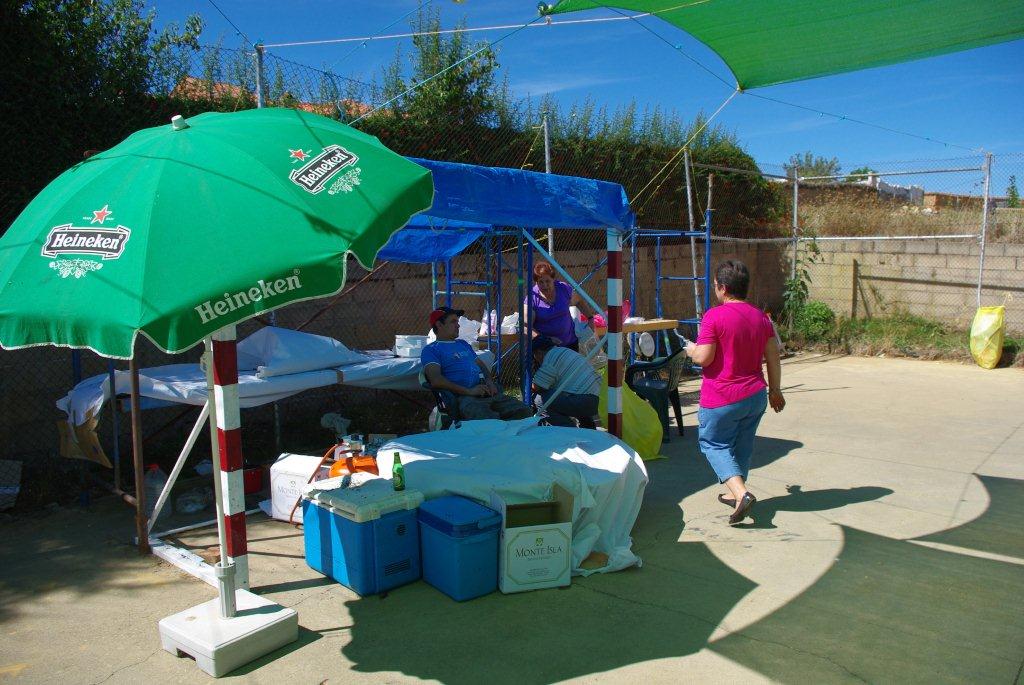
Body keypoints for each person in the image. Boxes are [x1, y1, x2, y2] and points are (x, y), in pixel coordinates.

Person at [685, 260, 786, 525]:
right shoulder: (761, 318)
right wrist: (775, 390)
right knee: (742, 445)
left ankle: (741, 494)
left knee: (714, 444)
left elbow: (704, 358)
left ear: (723, 287)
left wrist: (692, 350)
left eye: (715, 285)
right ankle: (736, 493)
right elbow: (773, 357)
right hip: (755, 395)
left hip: (722, 397)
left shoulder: (714, 316)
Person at [421, 306, 533, 421]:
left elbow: (481, 365)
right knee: (490, 421)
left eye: (457, 322)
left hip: (484, 392)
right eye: (453, 322)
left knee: (524, 412)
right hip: (464, 398)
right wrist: (469, 391)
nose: (458, 325)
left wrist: (489, 382)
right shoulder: (431, 350)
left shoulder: (463, 344)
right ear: (439, 325)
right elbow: (436, 380)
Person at [531, 336, 601, 428]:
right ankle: (588, 429)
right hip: (600, 397)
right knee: (573, 391)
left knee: (540, 399)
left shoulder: (550, 359)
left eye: (534, 355)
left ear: (539, 353)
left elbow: (536, 387)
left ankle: (567, 431)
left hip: (588, 401)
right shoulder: (565, 351)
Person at [527, 261, 593, 352]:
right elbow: (526, 327)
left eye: (547, 281)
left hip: (570, 344)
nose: (545, 285)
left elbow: (579, 302)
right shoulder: (532, 298)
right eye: (540, 282)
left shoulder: (563, 288)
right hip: (546, 349)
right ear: (536, 282)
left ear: (553, 279)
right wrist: (547, 340)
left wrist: (590, 318)